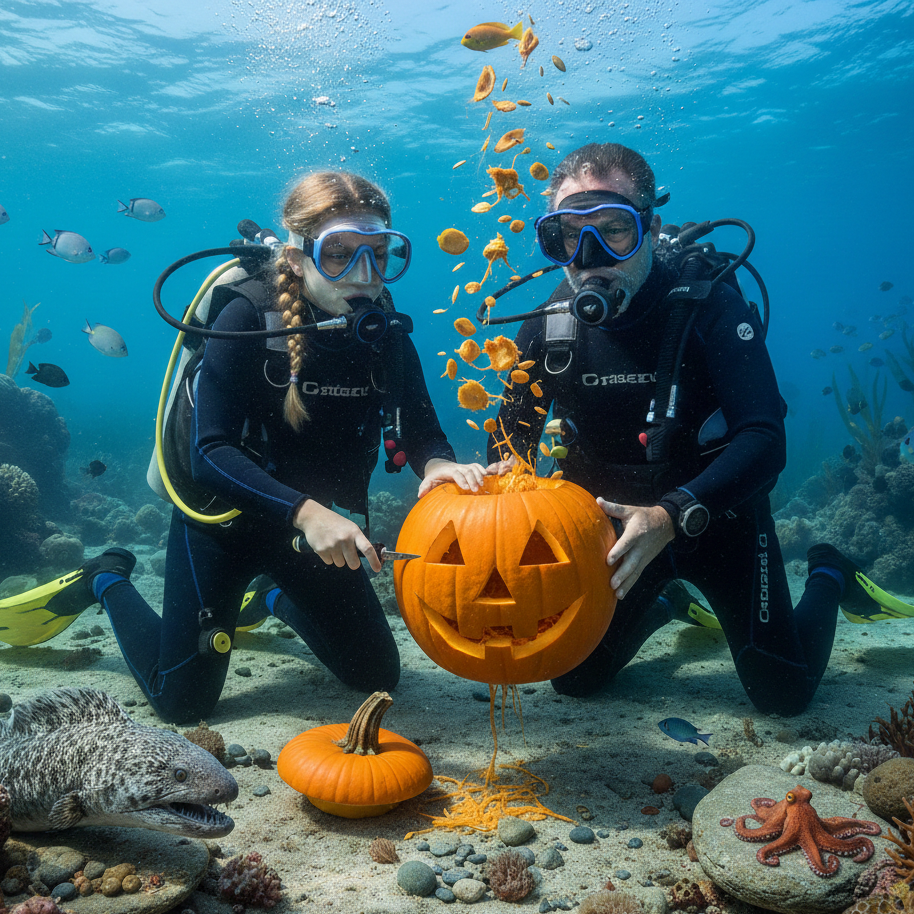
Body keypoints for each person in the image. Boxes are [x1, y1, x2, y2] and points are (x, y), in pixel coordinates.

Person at [25, 171, 486, 723]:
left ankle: (270, 597)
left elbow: (422, 428)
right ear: (296, 257)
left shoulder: (384, 331)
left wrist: (438, 465)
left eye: (379, 254)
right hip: (220, 525)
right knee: (182, 704)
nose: (365, 275)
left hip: (308, 535)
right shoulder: (245, 318)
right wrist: (307, 512)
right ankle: (106, 577)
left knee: (377, 676)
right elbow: (210, 452)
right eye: (338, 254)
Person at [486, 142, 912, 717]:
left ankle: (830, 569)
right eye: (566, 234)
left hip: (718, 519)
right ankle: (663, 600)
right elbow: (508, 451)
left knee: (783, 692)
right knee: (576, 679)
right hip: (614, 538)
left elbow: (765, 438)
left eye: (614, 230)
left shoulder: (708, 305)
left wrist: (670, 515)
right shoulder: (551, 328)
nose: (588, 256)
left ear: (650, 226)